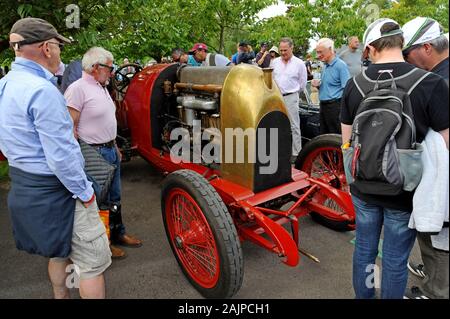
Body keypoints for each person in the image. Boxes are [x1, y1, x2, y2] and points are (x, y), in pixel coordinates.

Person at [0, 17, 111, 299]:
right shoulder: (42, 91)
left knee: (59, 253)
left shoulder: (5, 84)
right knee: (92, 265)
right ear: (47, 48)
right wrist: (85, 193)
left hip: (26, 184)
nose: (60, 54)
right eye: (58, 47)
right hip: (59, 189)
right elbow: (61, 156)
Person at [340, 18, 449, 299]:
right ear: (401, 43)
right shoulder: (431, 83)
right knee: (394, 259)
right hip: (404, 189)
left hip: (363, 188)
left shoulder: (355, 84)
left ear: (370, 49)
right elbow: (446, 145)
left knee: (364, 251)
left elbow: (346, 142)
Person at [64, 47, 143, 259]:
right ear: (96, 67)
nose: (113, 71)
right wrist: (79, 157)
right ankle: (104, 244)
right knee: (101, 202)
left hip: (109, 150)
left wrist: (114, 145)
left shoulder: (100, 87)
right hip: (93, 154)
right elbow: (69, 127)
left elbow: (106, 122)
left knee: (115, 197)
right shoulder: (77, 89)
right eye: (110, 67)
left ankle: (119, 234)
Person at [402, 16, 449, 299]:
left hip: (442, 176)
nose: (406, 60)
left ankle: (436, 291)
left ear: (427, 47)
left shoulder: (439, 80)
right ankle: (435, 276)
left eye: (407, 53)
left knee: (439, 235)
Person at [270, 37, 307, 162]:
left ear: (292, 48)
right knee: (277, 124)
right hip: (277, 98)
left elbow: (302, 84)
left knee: (294, 125)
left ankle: (297, 153)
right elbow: (271, 79)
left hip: (291, 97)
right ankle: (280, 151)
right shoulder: (274, 63)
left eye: (285, 50)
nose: (283, 53)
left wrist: (293, 92)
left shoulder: (299, 64)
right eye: (281, 50)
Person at [312, 38, 350, 134]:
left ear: (330, 49)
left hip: (335, 107)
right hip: (323, 106)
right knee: (324, 136)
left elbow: (347, 89)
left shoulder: (341, 66)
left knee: (334, 137)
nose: (318, 55)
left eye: (320, 52)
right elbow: (329, 87)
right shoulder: (325, 66)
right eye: (317, 52)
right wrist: (318, 86)